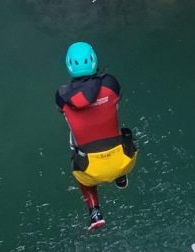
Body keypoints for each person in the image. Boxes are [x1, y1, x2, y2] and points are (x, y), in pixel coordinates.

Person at [56, 41, 137, 232]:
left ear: (68, 65)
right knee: (122, 131)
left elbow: (66, 109)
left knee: (76, 150)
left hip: (90, 170)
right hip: (125, 160)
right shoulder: (110, 83)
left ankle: (94, 212)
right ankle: (120, 176)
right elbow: (115, 97)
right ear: (93, 60)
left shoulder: (61, 95)